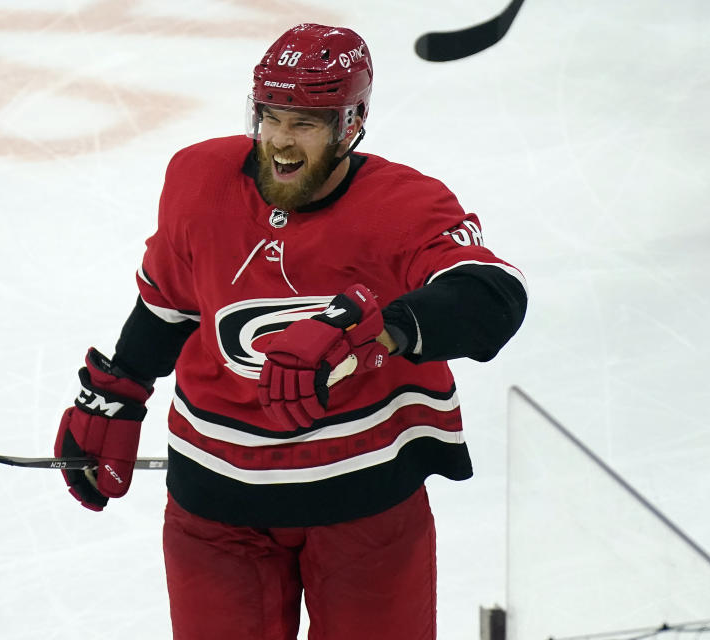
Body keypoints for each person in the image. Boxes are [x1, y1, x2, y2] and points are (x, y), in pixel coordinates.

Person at [53, 23, 527, 640]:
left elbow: (491, 295)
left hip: (363, 502)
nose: (278, 140)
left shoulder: (403, 207)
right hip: (217, 505)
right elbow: (170, 301)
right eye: (270, 116)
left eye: (304, 123)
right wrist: (118, 387)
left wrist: (373, 331)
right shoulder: (198, 180)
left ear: (349, 125)